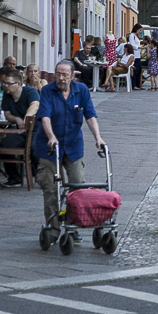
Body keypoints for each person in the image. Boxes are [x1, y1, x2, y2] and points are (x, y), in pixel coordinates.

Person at [34, 61, 106, 243]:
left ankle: (73, 227)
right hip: (49, 147)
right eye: (58, 74)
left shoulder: (81, 90)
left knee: (77, 185)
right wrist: (51, 137)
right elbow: (45, 117)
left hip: (73, 146)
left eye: (65, 75)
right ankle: (52, 228)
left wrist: (98, 137)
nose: (61, 78)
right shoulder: (48, 91)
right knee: (50, 188)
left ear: (73, 75)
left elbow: (90, 115)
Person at [0, 69, 40, 186]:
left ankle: (42, 174)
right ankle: (14, 177)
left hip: (36, 129)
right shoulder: (7, 95)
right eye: (4, 83)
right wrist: (16, 119)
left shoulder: (30, 91)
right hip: (19, 130)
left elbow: (35, 104)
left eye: (8, 83)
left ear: (18, 84)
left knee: (34, 148)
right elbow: (7, 114)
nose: (5, 86)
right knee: (3, 144)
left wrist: (27, 118)